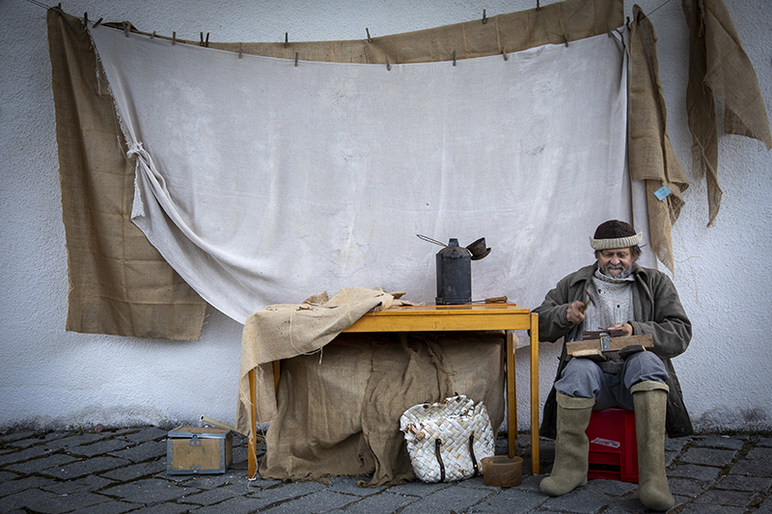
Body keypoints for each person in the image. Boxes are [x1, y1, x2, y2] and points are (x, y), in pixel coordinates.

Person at [533, 220, 693, 512]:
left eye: (622, 254)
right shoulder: (574, 284)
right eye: (608, 255)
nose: (615, 261)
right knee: (577, 370)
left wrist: (637, 330)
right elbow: (536, 324)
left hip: (636, 381)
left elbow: (680, 332)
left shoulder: (656, 282)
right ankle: (570, 470)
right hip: (594, 381)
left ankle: (653, 479)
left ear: (633, 254)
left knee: (647, 363)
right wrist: (564, 314)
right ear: (597, 256)